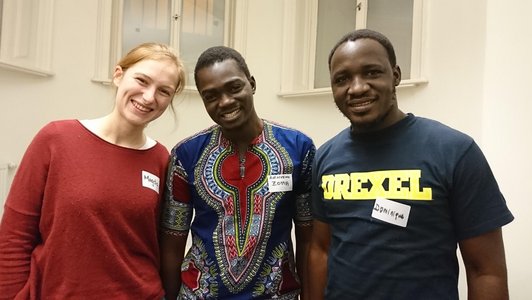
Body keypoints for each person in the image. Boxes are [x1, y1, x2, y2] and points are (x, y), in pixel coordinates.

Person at [307, 29, 514, 299]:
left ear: (395, 75)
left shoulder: (454, 151)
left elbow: (485, 271)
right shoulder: (326, 157)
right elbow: (320, 250)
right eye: (342, 79)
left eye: (371, 72)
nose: (357, 88)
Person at [0, 42, 186, 299]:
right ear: (118, 75)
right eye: (142, 80)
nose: (149, 97)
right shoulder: (56, 139)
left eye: (163, 91)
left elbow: (160, 243)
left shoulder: (162, 159)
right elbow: (14, 237)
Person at [160, 46, 315, 299]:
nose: (225, 101)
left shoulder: (299, 148)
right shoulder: (186, 155)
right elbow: (172, 240)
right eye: (211, 96)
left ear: (251, 84)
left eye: (234, 88)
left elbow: (308, 239)